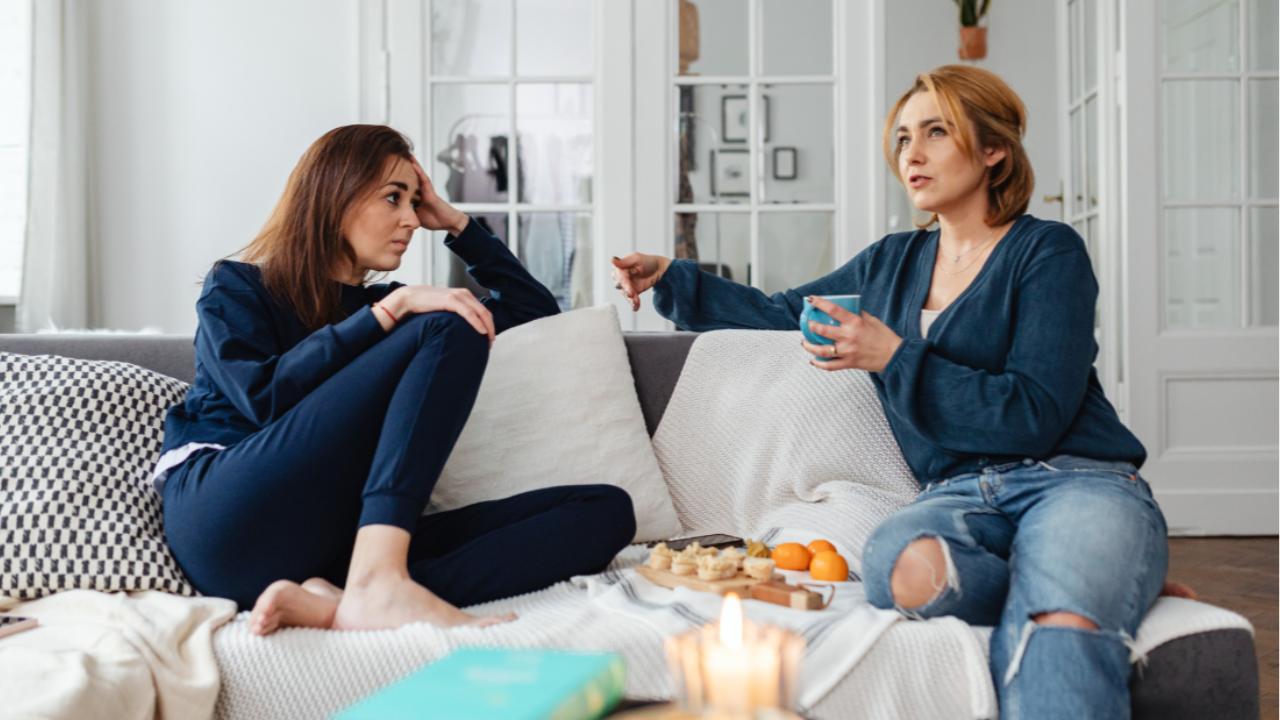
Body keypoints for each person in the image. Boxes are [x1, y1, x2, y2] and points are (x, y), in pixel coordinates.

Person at [611, 65, 1193, 719]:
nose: (911, 155)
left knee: (1062, 623)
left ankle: (1088, 582)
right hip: (957, 496)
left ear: (994, 148)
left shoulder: (1048, 253)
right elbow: (780, 315)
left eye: (936, 132)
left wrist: (892, 355)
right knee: (901, 566)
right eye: (903, 138)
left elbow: (1033, 413)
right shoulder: (892, 262)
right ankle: (1108, 578)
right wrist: (674, 277)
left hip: (1074, 479)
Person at [158, 125, 636, 636]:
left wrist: (455, 222)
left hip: (338, 537)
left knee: (604, 510)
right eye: (392, 198)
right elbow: (260, 398)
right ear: (333, 198)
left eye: (415, 201)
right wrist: (390, 311)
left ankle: (347, 599)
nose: (410, 219)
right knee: (451, 320)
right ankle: (379, 582)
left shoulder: (395, 309)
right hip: (227, 513)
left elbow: (534, 312)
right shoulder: (238, 285)